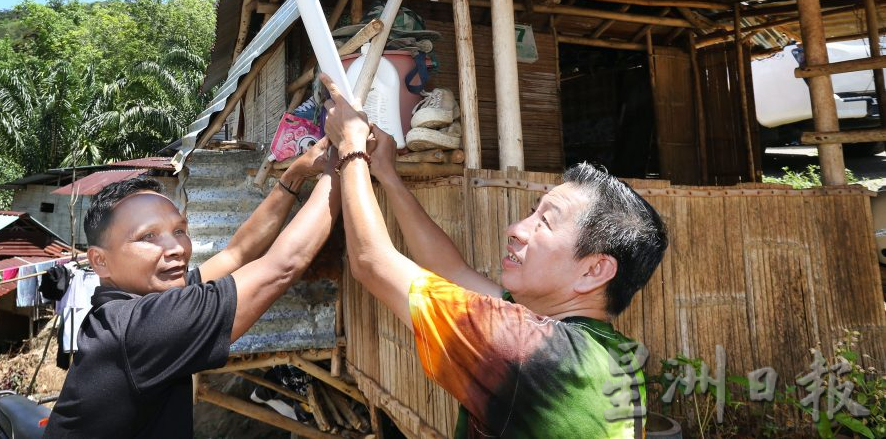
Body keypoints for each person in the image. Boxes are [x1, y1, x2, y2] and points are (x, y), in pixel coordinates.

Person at [320, 74, 668, 439]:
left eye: (544, 222)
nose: (516, 229)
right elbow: (450, 269)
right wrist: (387, 175)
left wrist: (351, 149)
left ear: (595, 270)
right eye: (533, 212)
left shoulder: (528, 350)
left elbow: (372, 263)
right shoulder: (610, 353)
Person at [44, 137, 339, 438]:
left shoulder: (137, 305)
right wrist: (343, 162)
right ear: (100, 261)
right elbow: (282, 266)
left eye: (179, 230)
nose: (176, 248)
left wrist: (294, 176)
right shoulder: (139, 327)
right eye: (148, 237)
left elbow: (236, 253)